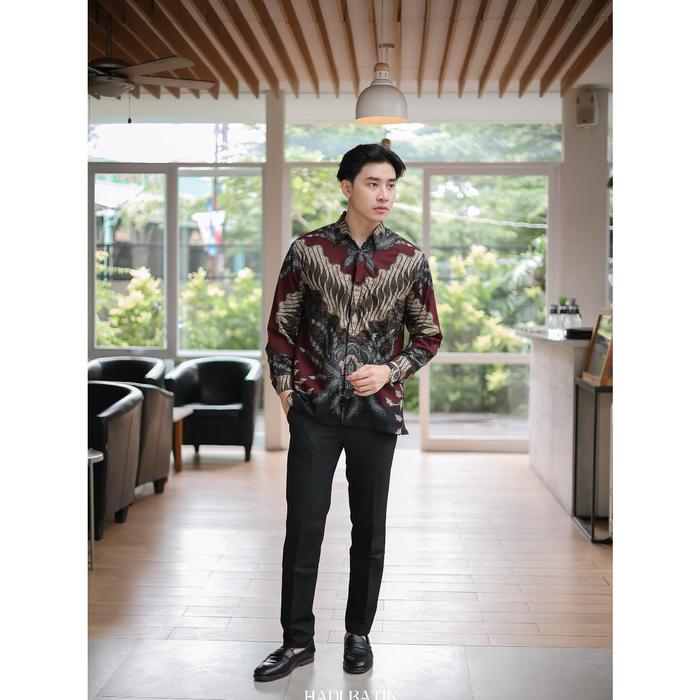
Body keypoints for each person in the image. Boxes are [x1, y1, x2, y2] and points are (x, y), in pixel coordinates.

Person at [253, 143, 443, 682]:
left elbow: (428, 336)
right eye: (372, 183)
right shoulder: (308, 251)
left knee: (370, 527)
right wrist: (286, 391)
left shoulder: (408, 260)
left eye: (391, 185)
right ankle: (296, 642)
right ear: (347, 187)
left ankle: (358, 634)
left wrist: (389, 371)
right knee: (304, 524)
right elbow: (281, 327)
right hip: (314, 410)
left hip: (376, 414)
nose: (384, 195)